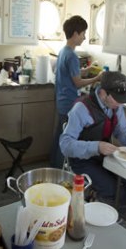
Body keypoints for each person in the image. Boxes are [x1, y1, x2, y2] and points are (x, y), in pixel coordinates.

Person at [60, 71, 126, 205]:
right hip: (82, 161)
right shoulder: (81, 109)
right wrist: (96, 147)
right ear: (104, 93)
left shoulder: (116, 106)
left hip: (105, 157)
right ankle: (104, 210)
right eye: (117, 99)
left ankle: (112, 213)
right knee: (114, 191)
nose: (120, 104)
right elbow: (65, 145)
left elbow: (121, 131)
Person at [50, 15, 102, 168]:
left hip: (61, 101)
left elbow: (72, 74)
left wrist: (87, 70)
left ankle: (54, 164)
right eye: (83, 33)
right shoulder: (72, 55)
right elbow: (78, 83)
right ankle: (60, 169)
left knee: (60, 135)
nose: (84, 37)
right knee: (67, 139)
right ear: (75, 34)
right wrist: (96, 78)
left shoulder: (63, 51)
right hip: (69, 103)